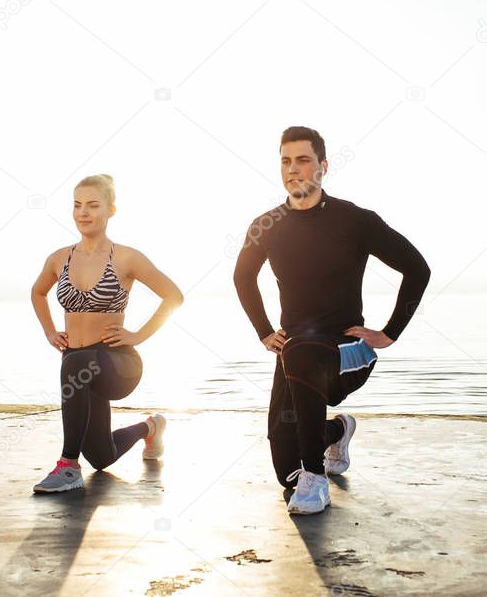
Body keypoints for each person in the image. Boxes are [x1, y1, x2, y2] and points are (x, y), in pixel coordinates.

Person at [233, 126, 431, 514]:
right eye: (286, 161)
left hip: (346, 351)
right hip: (295, 353)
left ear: (322, 166)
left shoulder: (355, 221)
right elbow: (242, 277)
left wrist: (390, 332)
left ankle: (317, 479)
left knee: (304, 354)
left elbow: (417, 269)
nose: (294, 169)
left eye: (303, 160)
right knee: (284, 471)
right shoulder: (265, 225)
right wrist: (264, 331)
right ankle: (337, 431)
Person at [30, 173, 184, 492]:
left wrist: (137, 335)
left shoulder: (126, 257)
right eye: (77, 205)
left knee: (76, 362)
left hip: (118, 362)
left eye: (92, 205)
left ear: (110, 210)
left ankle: (68, 466)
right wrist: (49, 332)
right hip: (80, 367)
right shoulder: (59, 258)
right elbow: (37, 292)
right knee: (101, 457)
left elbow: (173, 296)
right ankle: (151, 427)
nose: (83, 212)